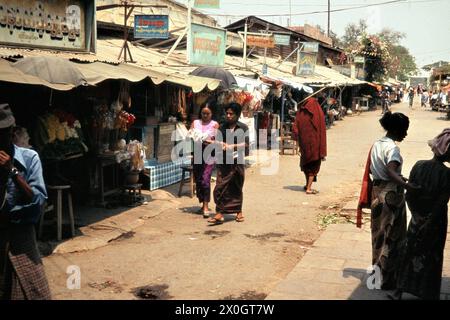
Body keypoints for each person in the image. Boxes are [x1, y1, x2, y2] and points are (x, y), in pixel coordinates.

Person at [390, 129, 450, 300]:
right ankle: (427, 293)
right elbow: (441, 202)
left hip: (417, 218)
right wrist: (429, 221)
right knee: (431, 255)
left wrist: (416, 215)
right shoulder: (447, 173)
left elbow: (409, 193)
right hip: (435, 221)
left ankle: (399, 291)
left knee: (409, 251)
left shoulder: (419, 165)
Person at [0, 103, 51, 300]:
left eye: (2, 133)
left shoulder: (30, 159)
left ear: (12, 132)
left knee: (33, 292)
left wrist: (12, 172)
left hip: (22, 239)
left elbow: (37, 201)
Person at [368, 111, 419, 290]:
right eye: (404, 130)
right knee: (393, 238)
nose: (405, 134)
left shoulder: (377, 144)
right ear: (397, 130)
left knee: (378, 237)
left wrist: (399, 178)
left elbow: (381, 170)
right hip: (391, 196)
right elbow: (390, 171)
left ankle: (375, 277)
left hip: (376, 193)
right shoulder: (393, 148)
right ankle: (388, 280)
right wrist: (407, 186)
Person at [208, 103, 249, 225]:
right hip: (224, 162)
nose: (229, 115)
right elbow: (217, 141)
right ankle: (220, 213)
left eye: (231, 113)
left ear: (237, 114)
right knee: (220, 187)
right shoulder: (222, 127)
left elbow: (246, 144)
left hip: (237, 162)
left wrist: (233, 146)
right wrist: (221, 144)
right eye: (227, 113)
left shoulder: (243, 127)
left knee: (236, 187)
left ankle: (238, 212)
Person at [190, 104, 219, 218]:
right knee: (198, 179)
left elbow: (217, 141)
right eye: (203, 113)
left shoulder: (215, 125)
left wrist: (208, 141)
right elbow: (190, 135)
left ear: (212, 114)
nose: (205, 115)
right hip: (197, 153)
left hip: (209, 154)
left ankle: (206, 206)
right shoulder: (195, 123)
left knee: (205, 179)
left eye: (208, 113)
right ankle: (202, 204)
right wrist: (193, 136)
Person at [294, 97, 327, 194]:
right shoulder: (318, 112)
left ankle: (307, 185)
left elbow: (295, 127)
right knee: (313, 166)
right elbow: (321, 130)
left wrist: (298, 141)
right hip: (315, 144)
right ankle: (308, 188)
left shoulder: (301, 112)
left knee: (306, 164)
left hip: (304, 144)